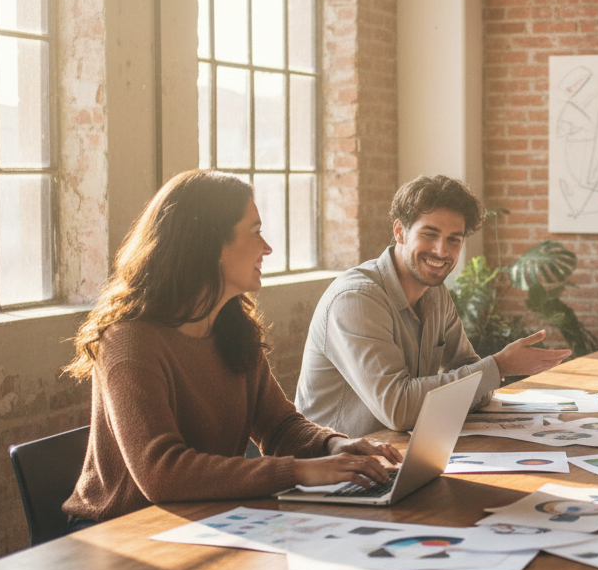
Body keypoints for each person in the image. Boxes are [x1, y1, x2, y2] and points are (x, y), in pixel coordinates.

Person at [62, 170, 403, 526]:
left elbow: (278, 426)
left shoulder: (232, 326)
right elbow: (162, 473)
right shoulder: (130, 341)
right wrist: (300, 471)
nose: (267, 248)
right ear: (209, 245)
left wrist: (332, 446)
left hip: (205, 517)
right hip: (120, 530)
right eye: (255, 232)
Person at [296, 175, 570, 437]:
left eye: (454, 239)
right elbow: (399, 409)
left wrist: (479, 378)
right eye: (429, 234)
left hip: (400, 452)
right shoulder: (356, 299)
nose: (441, 251)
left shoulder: (435, 293)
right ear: (400, 232)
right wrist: (499, 366)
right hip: (332, 462)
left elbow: (477, 385)